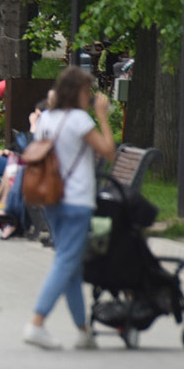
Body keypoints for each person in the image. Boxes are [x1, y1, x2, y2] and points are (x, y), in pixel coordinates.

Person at [22, 66, 117, 350]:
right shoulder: (79, 120)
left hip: (52, 198)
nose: (90, 96)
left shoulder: (47, 119)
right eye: (88, 91)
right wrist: (101, 116)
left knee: (71, 266)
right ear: (77, 91)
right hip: (76, 200)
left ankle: (83, 331)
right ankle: (36, 323)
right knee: (65, 262)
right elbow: (109, 151)